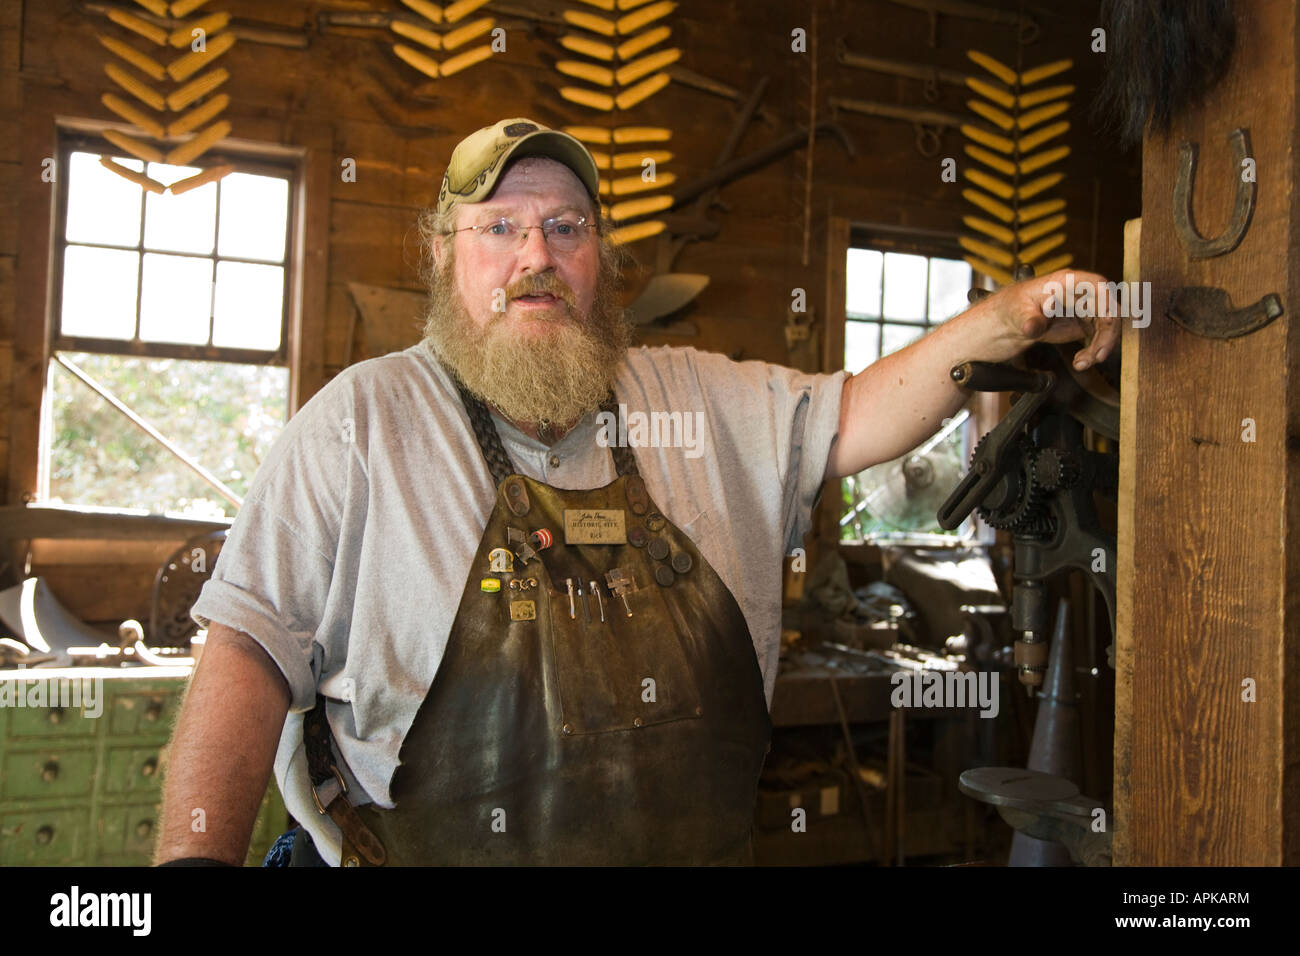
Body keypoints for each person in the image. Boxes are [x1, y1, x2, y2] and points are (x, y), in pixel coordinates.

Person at [155, 117, 1118, 867]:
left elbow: (864, 411)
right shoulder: (363, 425)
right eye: (500, 227)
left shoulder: (699, 403)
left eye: (565, 228)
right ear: (445, 255)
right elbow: (246, 653)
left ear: (601, 261)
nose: (536, 255)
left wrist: (1008, 316)